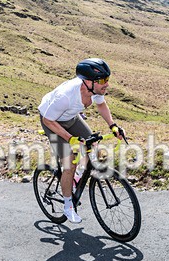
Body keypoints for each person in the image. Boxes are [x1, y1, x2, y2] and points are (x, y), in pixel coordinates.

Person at [39, 58, 127, 223]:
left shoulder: (95, 90)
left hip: (71, 118)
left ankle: (77, 177)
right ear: (88, 81)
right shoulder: (66, 96)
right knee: (69, 163)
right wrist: (70, 139)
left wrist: (113, 126)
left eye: (107, 79)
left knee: (93, 146)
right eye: (102, 80)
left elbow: (101, 105)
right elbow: (48, 120)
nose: (107, 84)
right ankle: (68, 207)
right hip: (52, 121)